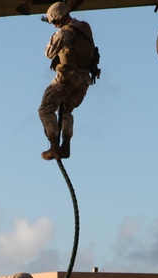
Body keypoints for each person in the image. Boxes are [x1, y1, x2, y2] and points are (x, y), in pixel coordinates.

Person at [38, 1, 99, 161]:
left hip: (67, 78)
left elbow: (48, 53)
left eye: (54, 22)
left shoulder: (63, 33)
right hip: (84, 80)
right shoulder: (85, 27)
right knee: (65, 110)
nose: (54, 26)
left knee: (45, 108)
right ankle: (65, 146)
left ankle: (54, 146)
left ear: (60, 18)